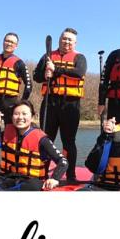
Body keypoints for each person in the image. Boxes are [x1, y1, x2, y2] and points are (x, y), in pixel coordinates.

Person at [0, 100, 66, 191]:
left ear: (32, 117)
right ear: (12, 117)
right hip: (6, 178)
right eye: (16, 114)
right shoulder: (5, 135)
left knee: (34, 185)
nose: (20, 117)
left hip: (29, 181)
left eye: (24, 114)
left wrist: (54, 178)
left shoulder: (42, 139)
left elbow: (63, 161)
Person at [33, 28, 87, 183]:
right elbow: (36, 76)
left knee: (68, 141)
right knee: (45, 138)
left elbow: (79, 73)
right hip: (50, 102)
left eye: (70, 40)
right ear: (59, 39)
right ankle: (42, 172)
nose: (67, 42)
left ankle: (70, 175)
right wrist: (45, 73)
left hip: (70, 104)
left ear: (75, 43)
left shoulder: (80, 57)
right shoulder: (47, 56)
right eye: (64, 38)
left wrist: (55, 69)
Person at [0, 33, 32, 167]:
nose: (9, 44)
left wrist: (21, 104)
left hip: (10, 102)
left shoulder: (19, 63)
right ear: (3, 42)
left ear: (16, 46)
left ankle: (11, 163)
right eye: (7, 41)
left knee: (11, 133)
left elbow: (29, 85)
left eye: (12, 42)